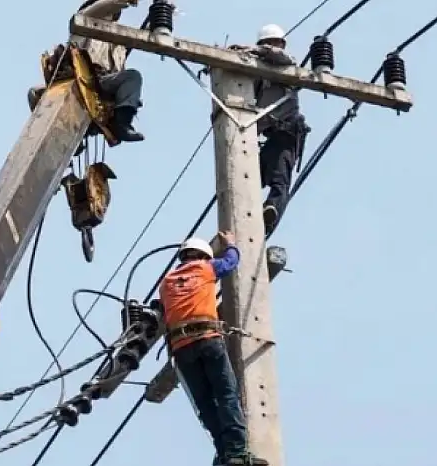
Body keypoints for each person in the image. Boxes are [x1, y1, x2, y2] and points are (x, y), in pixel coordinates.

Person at [159, 233, 267, 466]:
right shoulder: (205, 268)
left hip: (182, 348)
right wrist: (231, 244)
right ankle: (237, 451)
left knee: (206, 403)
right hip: (207, 340)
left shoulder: (166, 282)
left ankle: (224, 451)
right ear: (204, 256)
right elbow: (231, 262)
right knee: (226, 394)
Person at [230, 24, 310, 235]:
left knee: (280, 181)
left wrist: (254, 50)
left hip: (287, 135)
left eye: (275, 43)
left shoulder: (287, 66)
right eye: (268, 43)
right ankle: (246, 219)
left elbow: (279, 57)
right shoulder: (258, 76)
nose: (272, 46)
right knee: (246, 175)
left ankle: (270, 213)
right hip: (270, 137)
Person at [27, 0, 144, 142]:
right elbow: (104, 6)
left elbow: (120, 74)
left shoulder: (118, 41)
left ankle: (122, 124)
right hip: (83, 76)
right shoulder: (85, 19)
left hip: (102, 84)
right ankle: (60, 134)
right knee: (35, 92)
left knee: (132, 77)